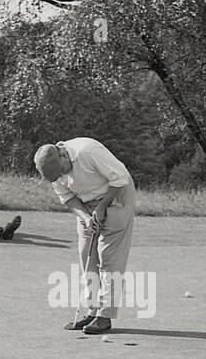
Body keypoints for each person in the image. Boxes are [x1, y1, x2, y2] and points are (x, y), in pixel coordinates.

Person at [33, 137, 136, 335]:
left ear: (63, 154)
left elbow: (120, 178)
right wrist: (87, 218)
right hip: (85, 202)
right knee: (86, 254)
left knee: (108, 257)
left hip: (117, 195)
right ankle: (92, 310)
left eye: (62, 171)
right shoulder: (55, 172)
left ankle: (105, 316)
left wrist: (103, 206)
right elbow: (68, 198)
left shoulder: (88, 151)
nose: (61, 177)